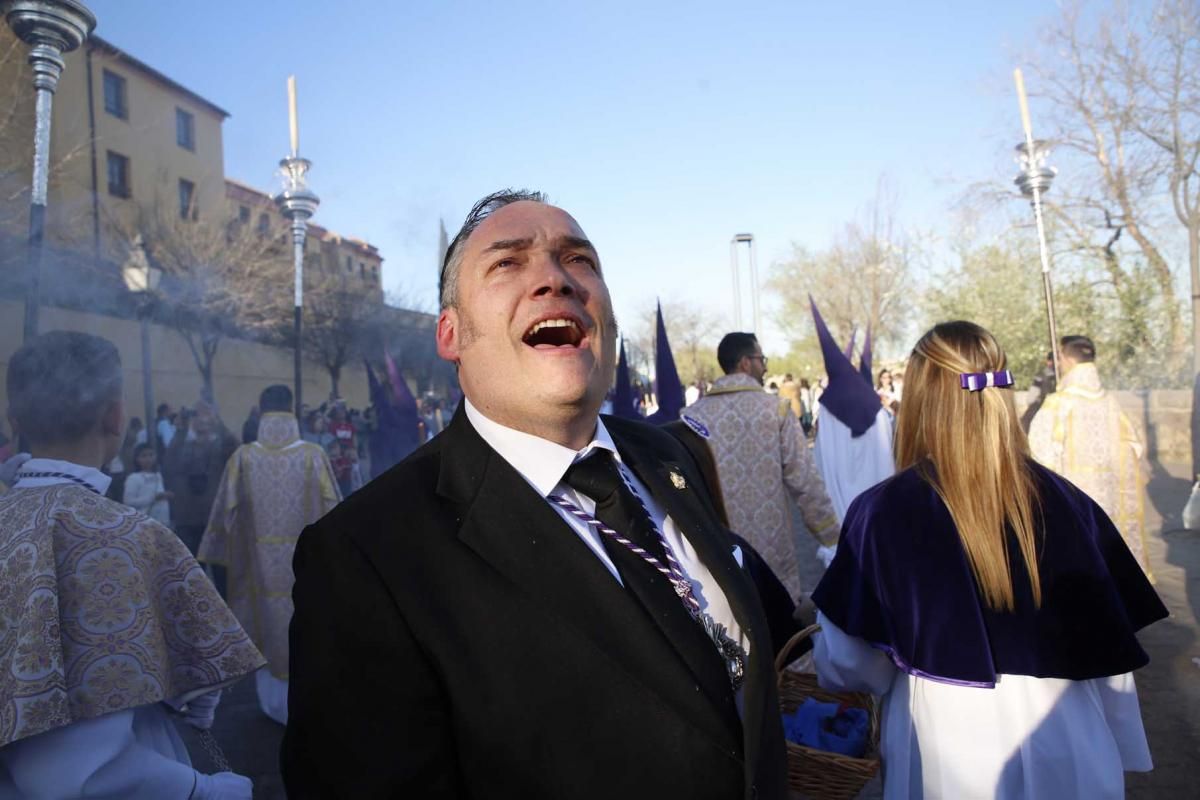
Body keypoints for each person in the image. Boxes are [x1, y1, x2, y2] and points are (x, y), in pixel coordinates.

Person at [282, 190, 789, 798]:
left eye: (579, 260)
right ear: (451, 333)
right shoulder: (367, 557)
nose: (555, 279)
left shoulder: (670, 455)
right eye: (507, 263)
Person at [811, 321, 1167, 799]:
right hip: (1069, 733)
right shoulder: (1072, 504)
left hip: (948, 743)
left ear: (919, 399)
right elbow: (1110, 656)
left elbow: (854, 664)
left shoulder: (883, 511)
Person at [0, 331, 264, 799]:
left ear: (14, 418)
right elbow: (80, 774)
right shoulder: (116, 535)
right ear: (115, 415)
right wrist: (209, 792)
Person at [198, 384, 340, 725]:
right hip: (306, 569)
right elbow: (335, 510)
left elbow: (221, 516)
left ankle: (273, 708)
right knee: (304, 630)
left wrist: (213, 553)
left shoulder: (243, 458)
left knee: (267, 631)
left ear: (261, 411)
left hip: (257, 570)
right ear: (292, 410)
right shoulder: (313, 456)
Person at [684, 332, 840, 601]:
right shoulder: (775, 409)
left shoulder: (691, 417)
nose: (765, 366)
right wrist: (833, 539)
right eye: (761, 359)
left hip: (719, 553)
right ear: (745, 362)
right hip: (772, 552)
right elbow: (805, 481)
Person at [1029, 336, 1153, 578]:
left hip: (1077, 508)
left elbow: (1040, 457)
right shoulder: (1113, 405)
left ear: (1065, 359)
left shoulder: (1058, 404)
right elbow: (1136, 450)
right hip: (1112, 506)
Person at [810, 299, 895, 524]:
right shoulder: (877, 409)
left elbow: (820, 460)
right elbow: (887, 459)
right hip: (878, 506)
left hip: (842, 513)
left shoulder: (828, 410)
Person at [163, 401, 238, 554]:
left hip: (214, 515)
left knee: (220, 570)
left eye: (205, 415)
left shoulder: (220, 444)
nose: (201, 420)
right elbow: (168, 464)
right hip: (187, 516)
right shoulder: (182, 443)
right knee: (190, 566)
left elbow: (235, 451)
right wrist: (182, 427)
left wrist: (218, 422)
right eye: (196, 416)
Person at [123, 442, 173, 526]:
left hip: (163, 522)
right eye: (144, 456)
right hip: (144, 523)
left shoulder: (158, 475)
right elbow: (128, 502)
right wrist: (153, 498)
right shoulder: (133, 478)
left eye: (151, 455)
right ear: (137, 458)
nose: (148, 459)